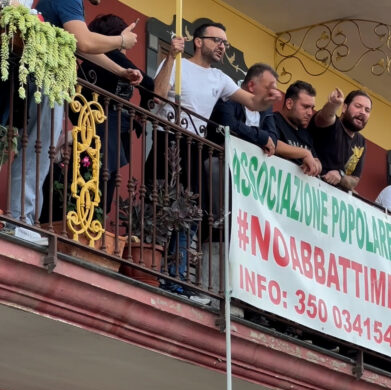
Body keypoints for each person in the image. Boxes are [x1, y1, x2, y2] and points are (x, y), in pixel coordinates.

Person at [148, 22, 276, 303]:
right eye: (217, 40)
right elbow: (156, 97)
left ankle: (177, 276)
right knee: (161, 205)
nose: (222, 46)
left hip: (194, 146)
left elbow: (253, 104)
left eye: (225, 43)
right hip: (168, 139)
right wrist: (171, 56)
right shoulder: (179, 64)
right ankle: (151, 269)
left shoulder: (220, 78)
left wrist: (268, 96)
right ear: (198, 41)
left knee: (190, 213)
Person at [9, 0, 141, 227]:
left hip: (44, 79)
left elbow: (78, 45)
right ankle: (21, 220)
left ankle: (23, 219)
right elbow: (85, 42)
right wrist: (121, 40)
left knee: (38, 151)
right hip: (45, 79)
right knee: (38, 151)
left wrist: (120, 71)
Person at [76, 14, 155, 212]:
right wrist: (143, 111)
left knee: (89, 176)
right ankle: (92, 223)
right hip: (105, 126)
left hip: (93, 125)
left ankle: (87, 221)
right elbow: (149, 85)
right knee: (102, 180)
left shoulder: (92, 59)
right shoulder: (112, 53)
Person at [309, 88, 370, 191]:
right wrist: (333, 104)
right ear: (344, 108)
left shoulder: (361, 142)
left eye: (367, 110)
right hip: (309, 186)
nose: (363, 112)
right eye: (358, 106)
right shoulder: (333, 124)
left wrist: (340, 176)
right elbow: (325, 117)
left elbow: (354, 180)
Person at [273, 80, 321, 174]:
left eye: (312, 108)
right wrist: (305, 153)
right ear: (289, 104)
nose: (310, 113)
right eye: (306, 107)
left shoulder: (306, 135)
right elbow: (271, 141)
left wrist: (316, 165)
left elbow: (316, 160)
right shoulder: (272, 120)